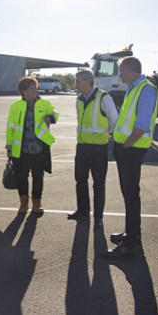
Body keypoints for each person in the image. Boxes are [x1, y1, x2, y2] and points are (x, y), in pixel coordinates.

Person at [103, 57, 158, 258]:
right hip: (125, 148)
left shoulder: (145, 89)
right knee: (129, 195)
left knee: (131, 196)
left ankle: (130, 243)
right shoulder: (134, 88)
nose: (119, 75)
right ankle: (132, 234)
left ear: (129, 69)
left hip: (131, 150)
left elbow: (142, 125)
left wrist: (125, 146)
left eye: (121, 71)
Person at [68, 69, 118, 229]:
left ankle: (98, 217)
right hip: (82, 147)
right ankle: (82, 211)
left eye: (78, 81)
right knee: (80, 181)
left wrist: (107, 133)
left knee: (98, 184)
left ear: (86, 81)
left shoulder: (104, 98)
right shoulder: (79, 99)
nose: (76, 84)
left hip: (98, 149)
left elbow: (114, 120)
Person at [6, 76, 58, 215]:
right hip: (21, 149)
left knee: (38, 176)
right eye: (31, 88)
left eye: (35, 87)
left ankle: (37, 203)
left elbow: (55, 114)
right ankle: (23, 203)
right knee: (21, 176)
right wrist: (9, 146)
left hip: (39, 148)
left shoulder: (44, 103)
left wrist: (50, 118)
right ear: (24, 91)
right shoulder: (16, 106)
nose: (34, 90)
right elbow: (10, 127)